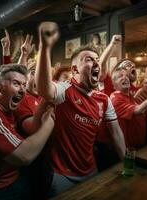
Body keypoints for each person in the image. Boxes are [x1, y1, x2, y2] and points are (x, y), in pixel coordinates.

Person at [35, 22, 126, 196]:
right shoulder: (64, 89)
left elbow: (116, 133)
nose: (96, 62)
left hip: (91, 171)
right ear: (75, 69)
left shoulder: (104, 99)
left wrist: (126, 162)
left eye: (97, 59)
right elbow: (43, 89)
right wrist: (45, 47)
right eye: (89, 59)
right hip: (61, 175)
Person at [0, 64, 55, 200]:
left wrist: (46, 100)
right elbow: (25, 156)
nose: (22, 90)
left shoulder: (3, 104)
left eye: (24, 85)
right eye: (16, 84)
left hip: (15, 178)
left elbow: (32, 127)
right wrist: (50, 123)